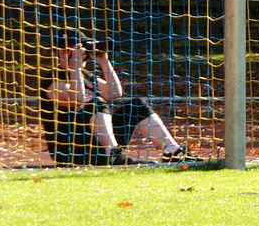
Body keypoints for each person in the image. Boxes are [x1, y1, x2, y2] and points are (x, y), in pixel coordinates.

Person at [40, 32, 187, 165]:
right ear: (60, 53)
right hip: (72, 151)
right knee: (95, 103)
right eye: (70, 50)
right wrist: (75, 67)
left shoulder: (85, 76)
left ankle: (173, 151)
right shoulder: (51, 80)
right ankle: (113, 154)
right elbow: (77, 99)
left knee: (137, 105)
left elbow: (114, 93)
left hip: (97, 145)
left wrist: (104, 61)